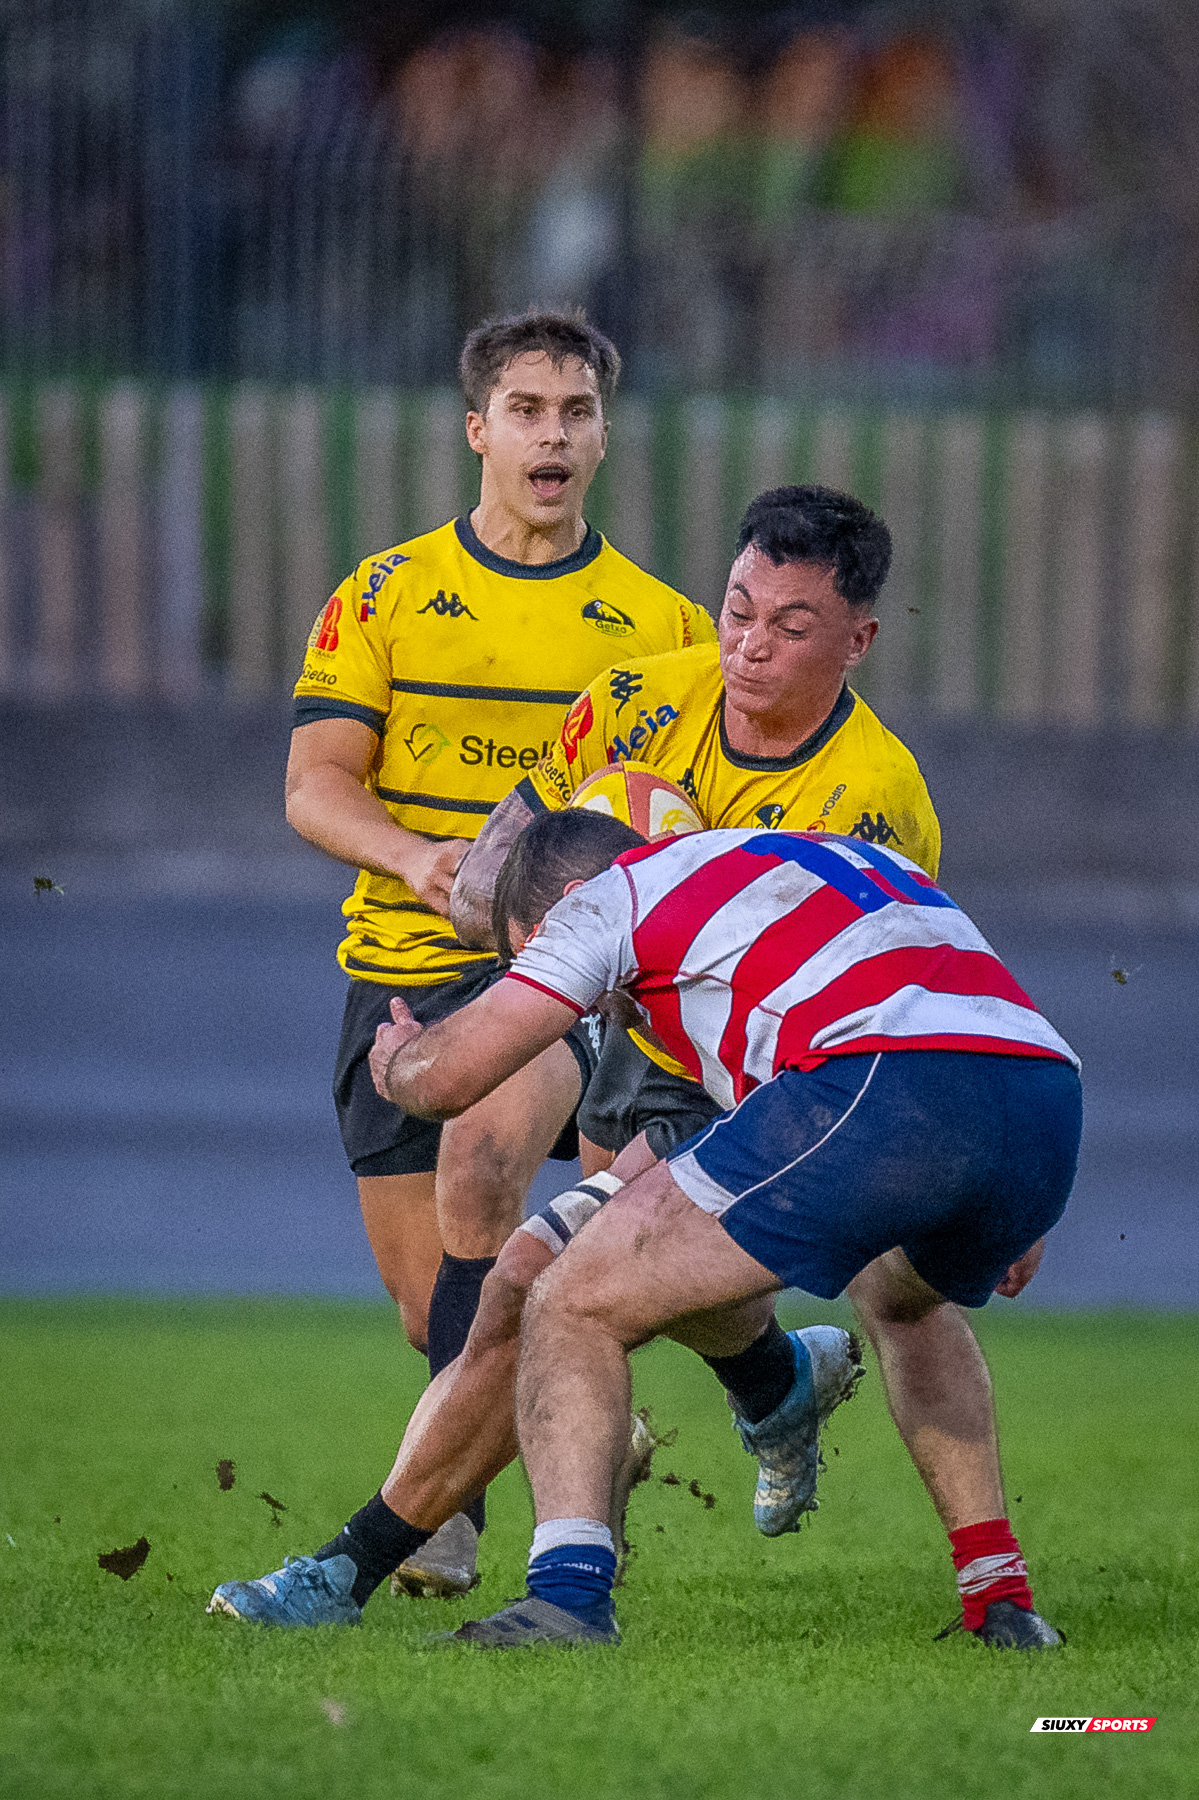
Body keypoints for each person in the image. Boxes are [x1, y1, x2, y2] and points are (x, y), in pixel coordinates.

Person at [208, 811, 1080, 1652]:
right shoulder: (797, 861)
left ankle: (567, 1599)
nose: (595, 1016)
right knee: (904, 1300)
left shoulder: (610, 897)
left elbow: (450, 1079)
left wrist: (399, 1063)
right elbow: (963, 1010)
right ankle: (998, 1599)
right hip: (1036, 1096)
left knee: (573, 1298)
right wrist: (1001, 1186)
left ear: (559, 911)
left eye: (532, 955)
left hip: (874, 1080)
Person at [286, 308, 714, 1592]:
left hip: (566, 977)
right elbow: (313, 785)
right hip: (394, 968)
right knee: (444, 1320)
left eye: (575, 413)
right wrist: (417, 862)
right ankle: (591, 1437)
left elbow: (691, 825)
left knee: (485, 1156)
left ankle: (446, 1526)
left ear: (601, 436)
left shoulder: (660, 630)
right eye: (526, 411)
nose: (552, 435)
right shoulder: (386, 593)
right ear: (478, 429)